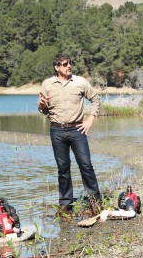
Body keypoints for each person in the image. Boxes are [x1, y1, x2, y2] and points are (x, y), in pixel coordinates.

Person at [37, 53, 102, 214]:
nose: (69, 66)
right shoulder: (47, 84)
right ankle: (66, 203)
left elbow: (96, 99)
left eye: (69, 63)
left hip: (77, 129)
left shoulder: (80, 82)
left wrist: (90, 120)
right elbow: (43, 110)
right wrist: (41, 105)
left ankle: (95, 201)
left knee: (86, 165)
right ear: (57, 67)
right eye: (65, 64)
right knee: (63, 168)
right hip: (57, 130)